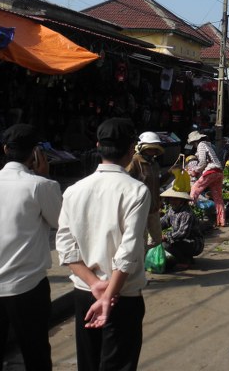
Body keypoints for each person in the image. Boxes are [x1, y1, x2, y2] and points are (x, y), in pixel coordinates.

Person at [0, 124, 62, 371]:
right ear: (36, 153)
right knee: (35, 353)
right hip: (27, 286)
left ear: (5, 149)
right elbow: (61, 221)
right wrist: (45, 176)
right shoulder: (41, 185)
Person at [56, 118, 150, 371]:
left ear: (98, 146)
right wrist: (108, 295)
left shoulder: (74, 190)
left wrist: (95, 285)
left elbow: (65, 246)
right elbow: (128, 251)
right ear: (132, 149)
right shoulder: (136, 191)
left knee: (88, 363)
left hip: (86, 293)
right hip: (123, 295)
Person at [126, 131, 164, 248]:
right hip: (139, 207)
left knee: (157, 239)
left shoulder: (154, 164)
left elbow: (157, 183)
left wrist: (170, 172)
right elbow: (126, 180)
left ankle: (154, 263)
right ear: (142, 148)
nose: (152, 152)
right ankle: (141, 264)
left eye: (154, 149)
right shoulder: (135, 161)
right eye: (149, 149)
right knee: (141, 239)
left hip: (153, 207)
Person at [187, 130, 226, 228]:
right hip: (219, 171)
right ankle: (221, 221)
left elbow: (203, 162)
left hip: (211, 171)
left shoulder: (201, 145)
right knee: (218, 198)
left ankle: (190, 217)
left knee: (194, 189)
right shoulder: (208, 144)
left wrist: (195, 171)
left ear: (194, 141)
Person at [159, 188, 204, 270]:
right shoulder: (172, 210)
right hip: (182, 241)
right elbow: (164, 222)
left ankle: (184, 261)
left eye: (176, 199)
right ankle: (187, 258)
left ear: (182, 200)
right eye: (171, 199)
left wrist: (165, 236)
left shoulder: (186, 214)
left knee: (165, 244)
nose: (172, 201)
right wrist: (153, 228)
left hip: (194, 243)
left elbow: (182, 233)